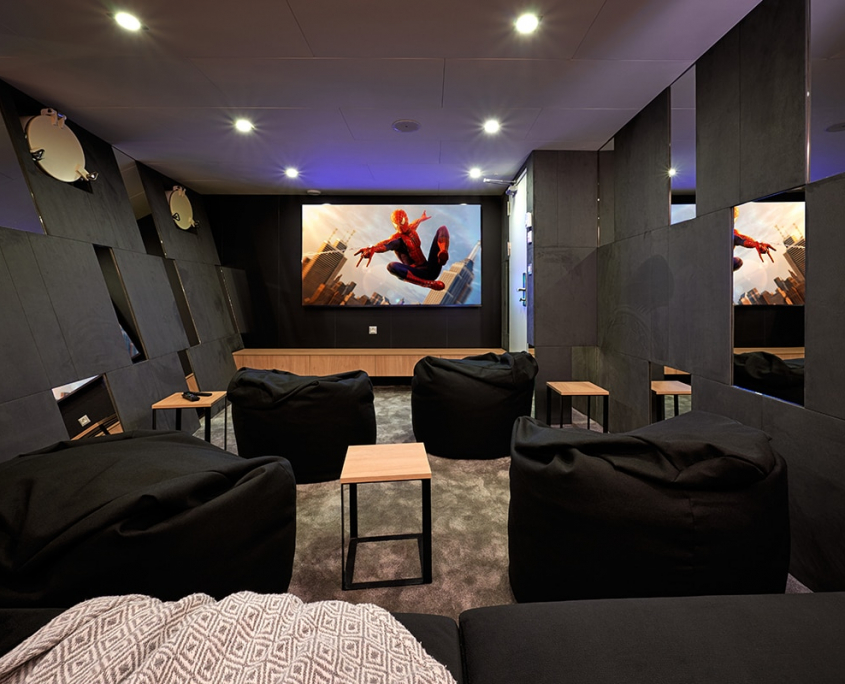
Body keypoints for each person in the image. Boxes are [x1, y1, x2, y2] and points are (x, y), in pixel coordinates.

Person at [354, 209, 450, 290]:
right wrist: (373, 249)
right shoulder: (397, 239)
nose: (400, 226)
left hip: (431, 267)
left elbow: (416, 223)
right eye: (397, 224)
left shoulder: (411, 229)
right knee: (391, 266)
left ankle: (443, 252)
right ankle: (428, 284)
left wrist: (421, 219)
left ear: (406, 219)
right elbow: (386, 244)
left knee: (442, 229)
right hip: (419, 274)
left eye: (402, 222)